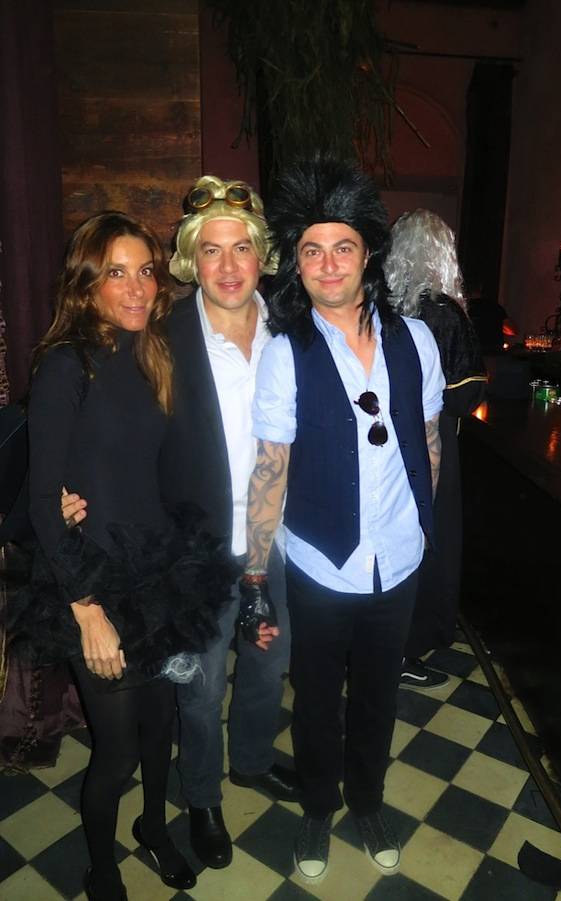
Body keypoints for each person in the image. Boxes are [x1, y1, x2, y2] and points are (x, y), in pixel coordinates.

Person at [63, 177, 298, 872]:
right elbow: (106, 422)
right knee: (200, 690)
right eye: (212, 250)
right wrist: (64, 491)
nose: (228, 266)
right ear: (192, 259)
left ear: (262, 256)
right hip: (195, 551)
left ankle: (251, 761)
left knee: (268, 664)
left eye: (242, 249)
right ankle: (202, 798)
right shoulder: (160, 337)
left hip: (276, 542)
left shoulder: (291, 330)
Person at [11, 212, 232, 900]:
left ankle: (154, 828)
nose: (137, 288)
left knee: (161, 725)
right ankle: (100, 864)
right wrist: (86, 610)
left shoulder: (153, 352)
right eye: (117, 272)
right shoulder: (65, 365)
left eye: (146, 272)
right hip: (93, 581)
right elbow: (42, 497)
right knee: (118, 749)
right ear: (87, 285)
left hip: (157, 574)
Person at [240, 158, 446, 882]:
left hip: (399, 558)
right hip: (321, 561)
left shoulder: (416, 340)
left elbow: (428, 442)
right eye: (312, 250)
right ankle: (317, 808)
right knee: (318, 698)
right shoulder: (284, 354)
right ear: (296, 263)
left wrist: (422, 527)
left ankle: (368, 800)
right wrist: (256, 573)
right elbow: (270, 468)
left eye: (343, 247)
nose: (328, 265)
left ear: (367, 254)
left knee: (380, 695)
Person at [385, 209, 487, 689]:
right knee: (430, 541)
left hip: (384, 441)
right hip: (433, 442)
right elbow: (467, 395)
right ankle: (407, 648)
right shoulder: (444, 312)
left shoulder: (380, 305)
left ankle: (381, 643)